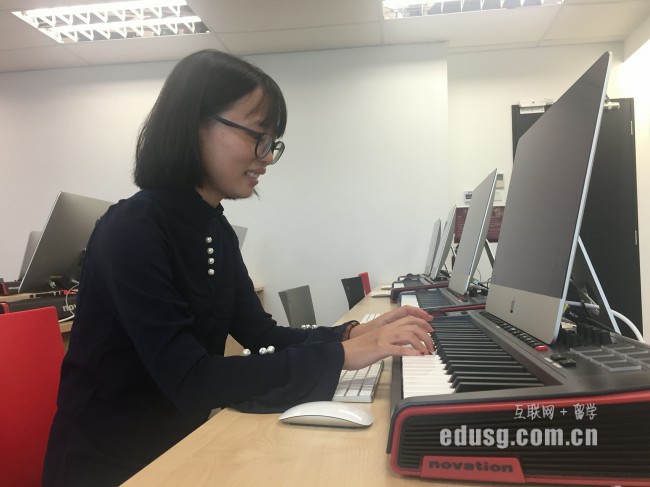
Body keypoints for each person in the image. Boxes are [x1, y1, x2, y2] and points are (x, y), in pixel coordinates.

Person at [42, 49, 434, 487]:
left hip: (181, 449)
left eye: (272, 143)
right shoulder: (133, 228)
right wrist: (342, 356)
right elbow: (191, 379)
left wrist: (351, 335)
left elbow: (262, 335)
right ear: (194, 124)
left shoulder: (215, 227)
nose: (267, 157)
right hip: (111, 465)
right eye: (258, 136)